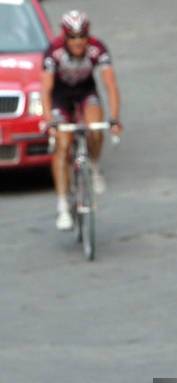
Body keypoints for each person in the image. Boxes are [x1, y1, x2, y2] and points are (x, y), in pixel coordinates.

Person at [41, 10, 122, 231]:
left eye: (82, 37)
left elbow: (110, 85)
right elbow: (46, 90)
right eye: (73, 37)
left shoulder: (98, 49)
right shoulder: (53, 52)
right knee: (62, 143)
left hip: (86, 92)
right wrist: (49, 121)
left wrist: (114, 118)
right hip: (60, 97)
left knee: (96, 128)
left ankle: (94, 167)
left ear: (88, 36)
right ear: (65, 37)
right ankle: (62, 207)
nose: (78, 42)